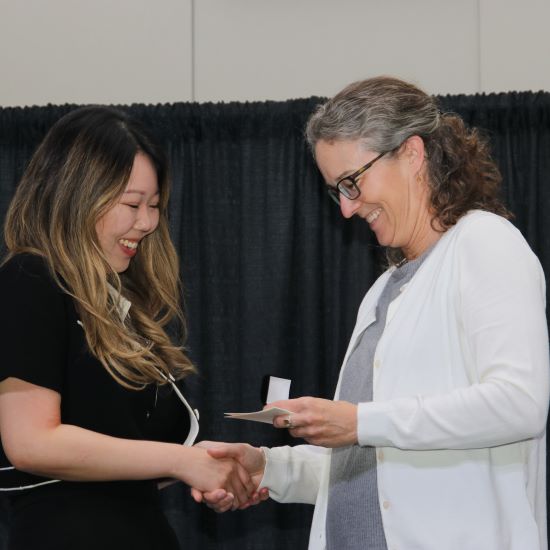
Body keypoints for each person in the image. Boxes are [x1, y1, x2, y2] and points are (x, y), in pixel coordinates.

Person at [194, 76, 550, 550]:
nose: (346, 208)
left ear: (412, 153)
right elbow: (381, 467)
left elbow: (518, 404)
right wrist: (270, 468)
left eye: (352, 182)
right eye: (336, 190)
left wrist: (360, 422)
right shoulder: (385, 289)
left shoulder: (484, 242)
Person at [0, 106, 256, 550]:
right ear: (78, 195)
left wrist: (205, 467)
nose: (148, 222)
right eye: (133, 204)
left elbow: (120, 466)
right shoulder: (30, 279)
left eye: (154, 206)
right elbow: (31, 443)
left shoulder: (117, 305)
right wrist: (179, 460)